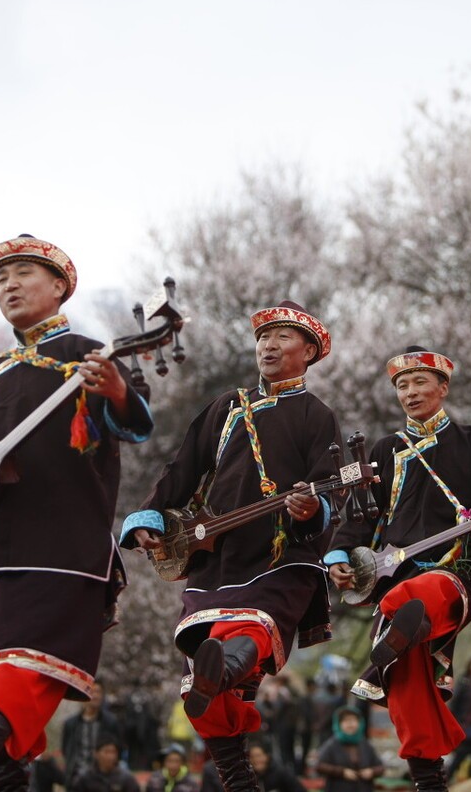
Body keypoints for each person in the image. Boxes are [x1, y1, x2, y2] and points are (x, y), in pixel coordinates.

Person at [0, 235, 154, 792]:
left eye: (22, 274)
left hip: (63, 549)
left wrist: (116, 391)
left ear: (60, 286)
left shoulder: (93, 357)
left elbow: (136, 424)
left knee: (27, 669)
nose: (8, 286)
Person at [122, 301, 340, 792]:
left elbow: (330, 488)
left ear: (308, 352)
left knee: (249, 630)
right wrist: (150, 516)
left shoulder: (316, 415)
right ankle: (239, 780)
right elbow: (182, 468)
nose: (268, 345)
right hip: (214, 555)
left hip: (281, 556)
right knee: (196, 682)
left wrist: (312, 509)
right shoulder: (226, 407)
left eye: (282, 337)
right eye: (263, 337)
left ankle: (224, 667)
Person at [326, 346, 471, 792]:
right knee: (406, 677)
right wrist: (339, 555)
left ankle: (399, 624)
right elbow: (363, 515)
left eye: (419, 382)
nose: (409, 392)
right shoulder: (386, 449)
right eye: (402, 385)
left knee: (410, 599)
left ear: (442, 388)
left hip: (459, 570)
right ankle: (429, 781)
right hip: (396, 571)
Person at [61, 682, 122, 786]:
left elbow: (118, 748)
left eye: (98, 692)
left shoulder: (111, 722)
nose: (95, 696)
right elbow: (66, 750)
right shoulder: (70, 724)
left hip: (103, 779)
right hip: (76, 778)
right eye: (91, 691)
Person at [314, 707, 384, 792]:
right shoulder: (332, 745)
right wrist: (342, 772)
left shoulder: (365, 744)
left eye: (354, 720)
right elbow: (319, 766)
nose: (350, 724)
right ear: (339, 724)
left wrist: (371, 772)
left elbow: (380, 767)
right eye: (346, 721)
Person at [69, 735, 139, 792]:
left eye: (113, 752)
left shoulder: (126, 779)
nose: (111, 756)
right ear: (96, 754)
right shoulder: (85, 778)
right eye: (106, 752)